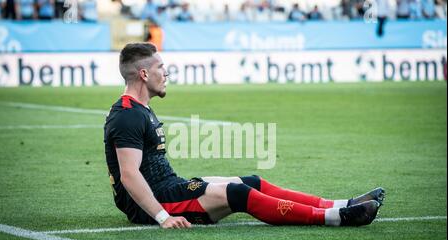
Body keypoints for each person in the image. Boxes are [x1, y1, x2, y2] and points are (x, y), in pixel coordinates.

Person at [104, 43, 386, 229]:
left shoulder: (140, 109)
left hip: (167, 188)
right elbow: (129, 175)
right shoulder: (128, 113)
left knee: (251, 181)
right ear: (143, 73)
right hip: (155, 203)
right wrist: (163, 217)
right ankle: (334, 218)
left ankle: (341, 204)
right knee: (237, 193)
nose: (165, 73)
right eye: (159, 68)